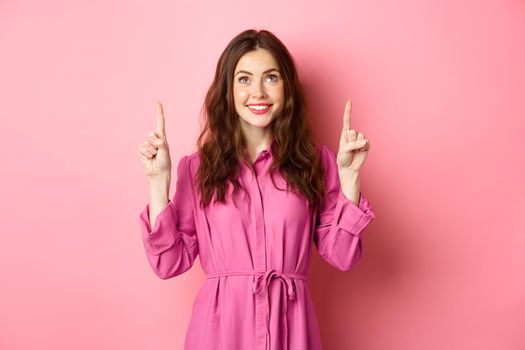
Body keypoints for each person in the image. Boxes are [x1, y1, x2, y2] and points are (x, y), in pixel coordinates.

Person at [137, 28, 376, 350]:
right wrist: (157, 181)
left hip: (291, 330)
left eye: (271, 77)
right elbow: (169, 263)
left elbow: (343, 256)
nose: (258, 92)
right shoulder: (197, 168)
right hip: (220, 333)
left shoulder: (316, 162)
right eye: (244, 79)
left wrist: (349, 179)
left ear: (287, 88)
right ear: (227, 90)